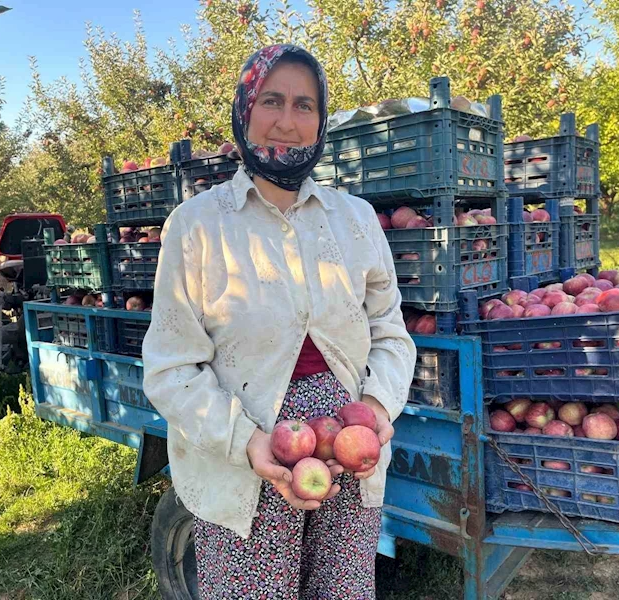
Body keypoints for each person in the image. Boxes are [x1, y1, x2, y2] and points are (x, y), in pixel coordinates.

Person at [142, 44, 416, 599]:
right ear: (245, 110)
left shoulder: (356, 220)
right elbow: (170, 368)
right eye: (272, 101)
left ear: (320, 121)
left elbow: (390, 331)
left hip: (347, 450)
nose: (288, 123)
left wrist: (380, 410)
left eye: (304, 105)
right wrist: (246, 443)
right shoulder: (196, 226)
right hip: (243, 455)